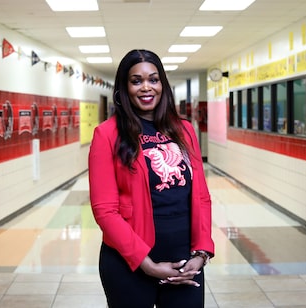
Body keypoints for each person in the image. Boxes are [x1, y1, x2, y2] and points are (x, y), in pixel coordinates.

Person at [88, 49, 214, 308]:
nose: (146, 87)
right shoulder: (107, 134)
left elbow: (201, 196)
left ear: (162, 84)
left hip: (184, 262)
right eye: (136, 81)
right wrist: (148, 265)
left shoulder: (184, 130)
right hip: (129, 263)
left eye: (153, 79)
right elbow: (105, 211)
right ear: (124, 87)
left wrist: (201, 253)